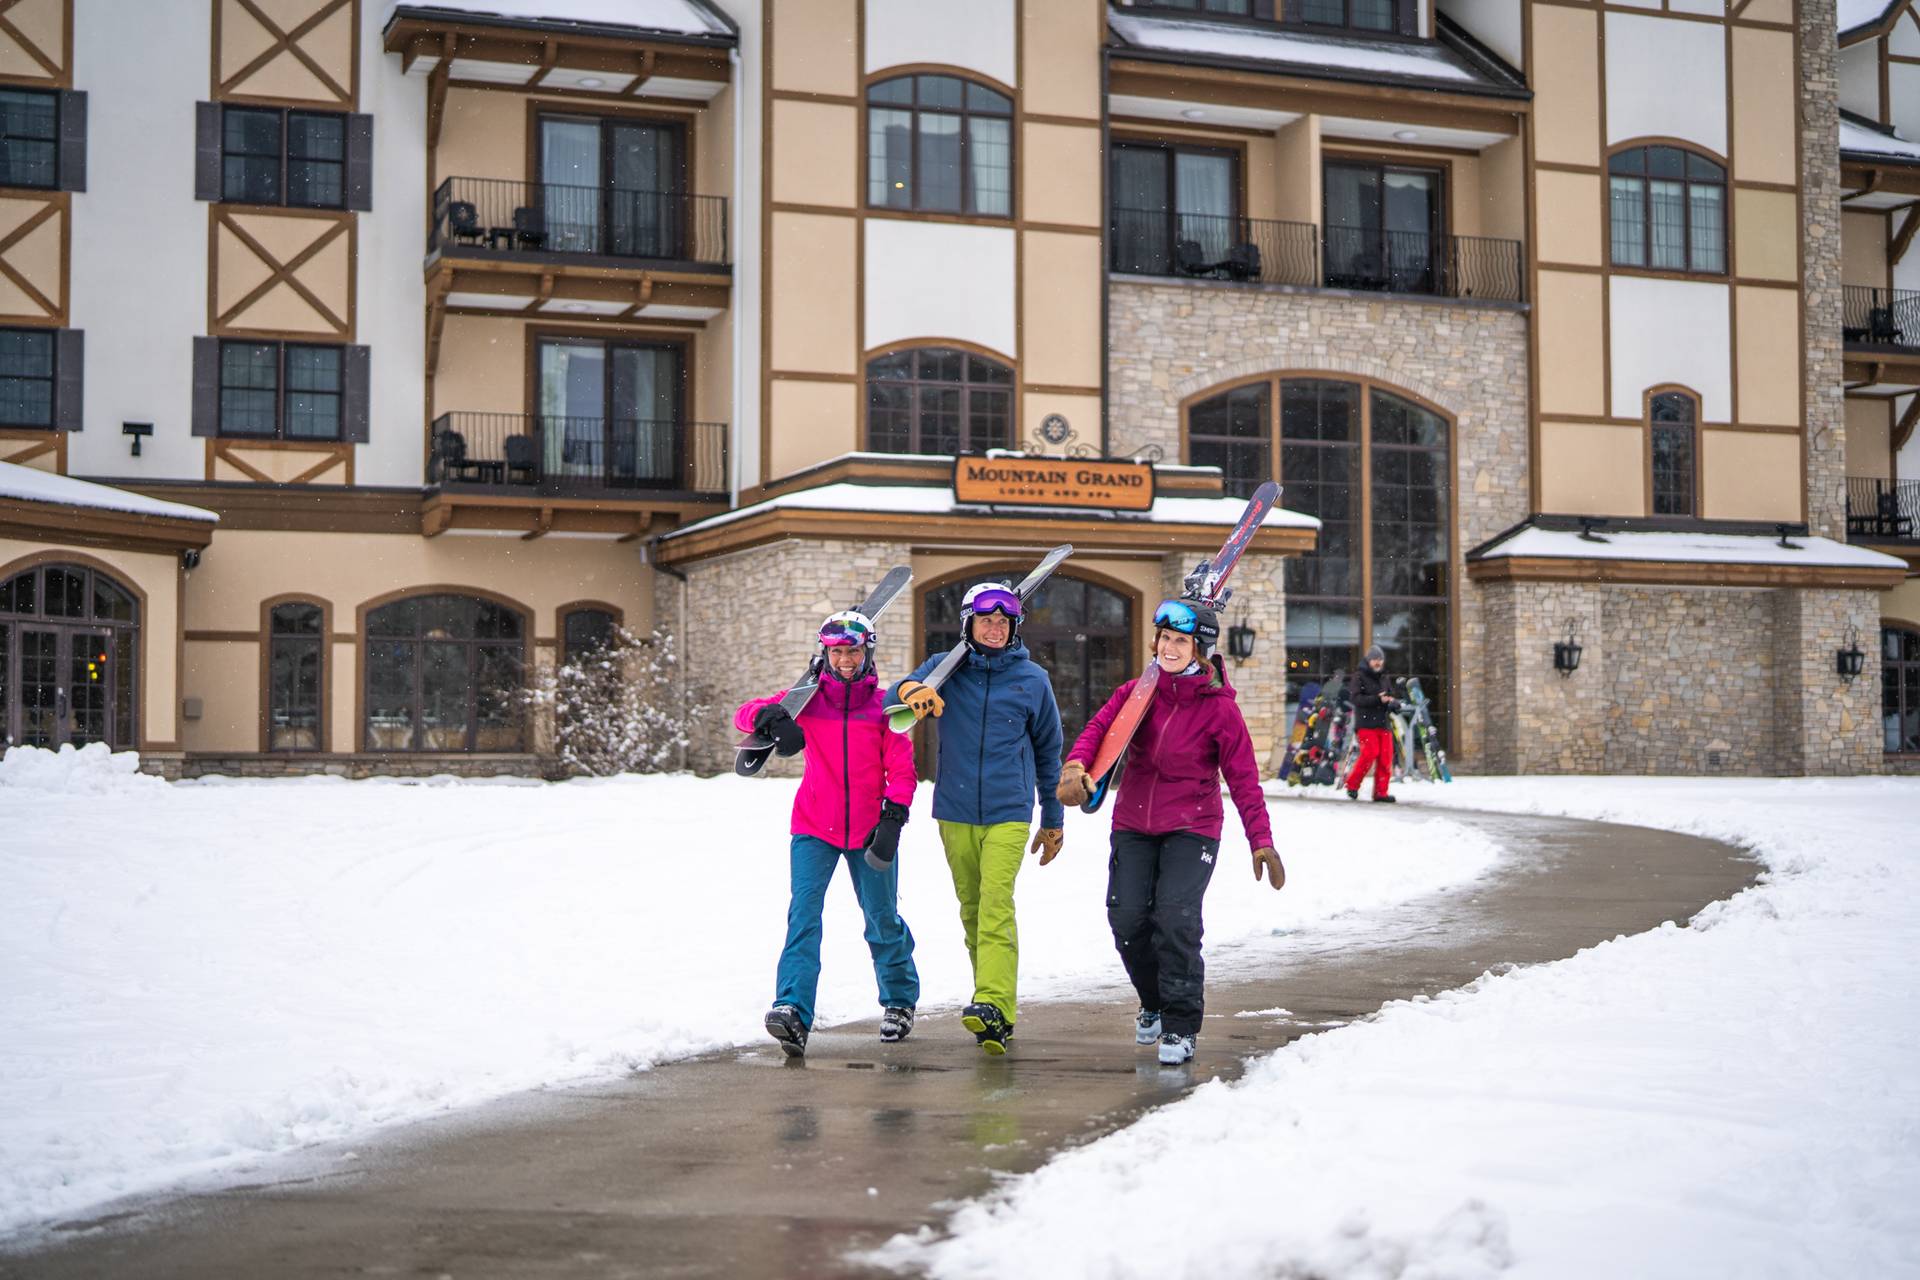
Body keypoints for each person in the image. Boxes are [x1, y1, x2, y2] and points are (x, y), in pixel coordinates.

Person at [1056, 599, 1284, 1066]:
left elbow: (1244, 781)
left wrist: (1260, 840)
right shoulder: (1138, 693)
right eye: (1164, 638)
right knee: (1127, 921)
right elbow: (1100, 729)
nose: (1170, 647)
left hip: (1192, 828)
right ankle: (1154, 1002)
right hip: (1134, 823)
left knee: (1176, 921)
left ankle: (1181, 1025)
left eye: (1181, 640)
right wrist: (1077, 763)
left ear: (1200, 649)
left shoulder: (1220, 710)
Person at [888, 580, 1065, 1055]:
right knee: (971, 910)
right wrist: (912, 690)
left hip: (1009, 810)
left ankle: (993, 1001)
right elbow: (892, 699)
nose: (994, 628)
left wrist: (1053, 817)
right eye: (986, 620)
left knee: (995, 905)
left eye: (1003, 622)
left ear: (1014, 629)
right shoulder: (949, 669)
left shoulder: (1033, 681)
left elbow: (1049, 753)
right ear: (969, 623)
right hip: (955, 809)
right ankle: (992, 1013)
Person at [735, 610, 918, 1058]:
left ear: (867, 652)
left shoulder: (884, 705)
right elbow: (744, 714)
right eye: (836, 652)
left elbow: (902, 769)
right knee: (804, 917)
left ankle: (898, 999)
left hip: (871, 828)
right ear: (826, 654)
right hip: (815, 826)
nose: (845, 660)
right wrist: (771, 718)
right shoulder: (808, 698)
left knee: (881, 919)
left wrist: (894, 817)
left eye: (852, 650)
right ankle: (793, 1010)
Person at [1344, 644, 1401, 804]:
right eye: (1375, 659)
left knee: (1386, 758)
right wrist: (1377, 699)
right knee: (1369, 753)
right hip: (1366, 723)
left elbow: (1389, 695)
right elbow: (1355, 699)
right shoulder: (1359, 676)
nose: (1378, 663)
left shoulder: (1384, 676)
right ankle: (1352, 785)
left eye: (1380, 660)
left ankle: (1381, 792)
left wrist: (1392, 701)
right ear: (1369, 660)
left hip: (1383, 723)